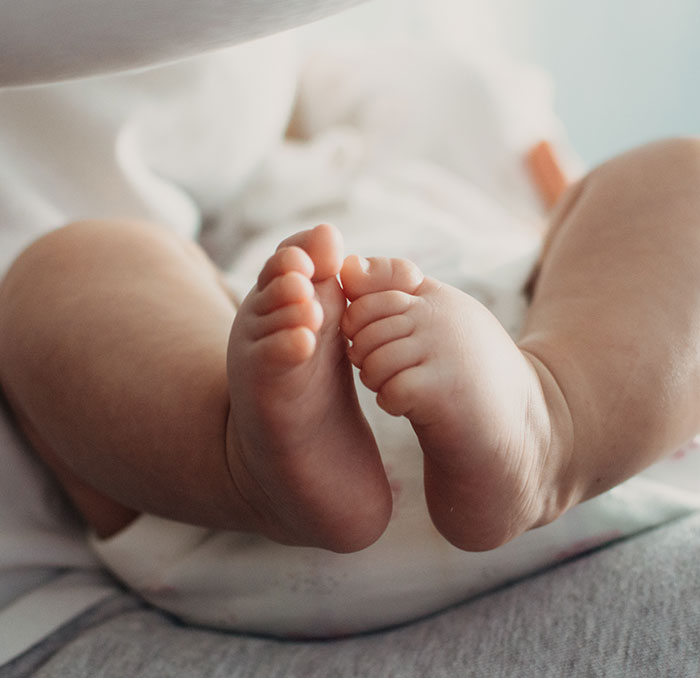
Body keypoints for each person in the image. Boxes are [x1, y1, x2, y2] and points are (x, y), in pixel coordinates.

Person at [2, 1, 700, 676]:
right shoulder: (257, 221)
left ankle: (544, 427)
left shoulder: (494, 162)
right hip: (536, 458)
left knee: (61, 269)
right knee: (79, 273)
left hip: (268, 527)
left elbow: (557, 191)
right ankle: (265, 452)